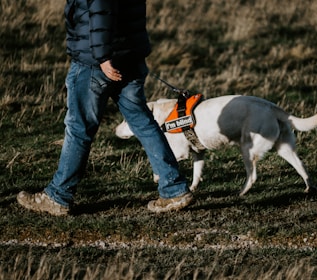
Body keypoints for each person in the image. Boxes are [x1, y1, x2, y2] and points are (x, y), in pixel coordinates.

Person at [17, 0, 193, 216]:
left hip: (97, 64)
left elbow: (101, 9)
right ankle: (174, 189)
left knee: (79, 129)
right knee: (144, 123)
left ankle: (57, 196)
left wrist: (103, 57)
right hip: (130, 58)